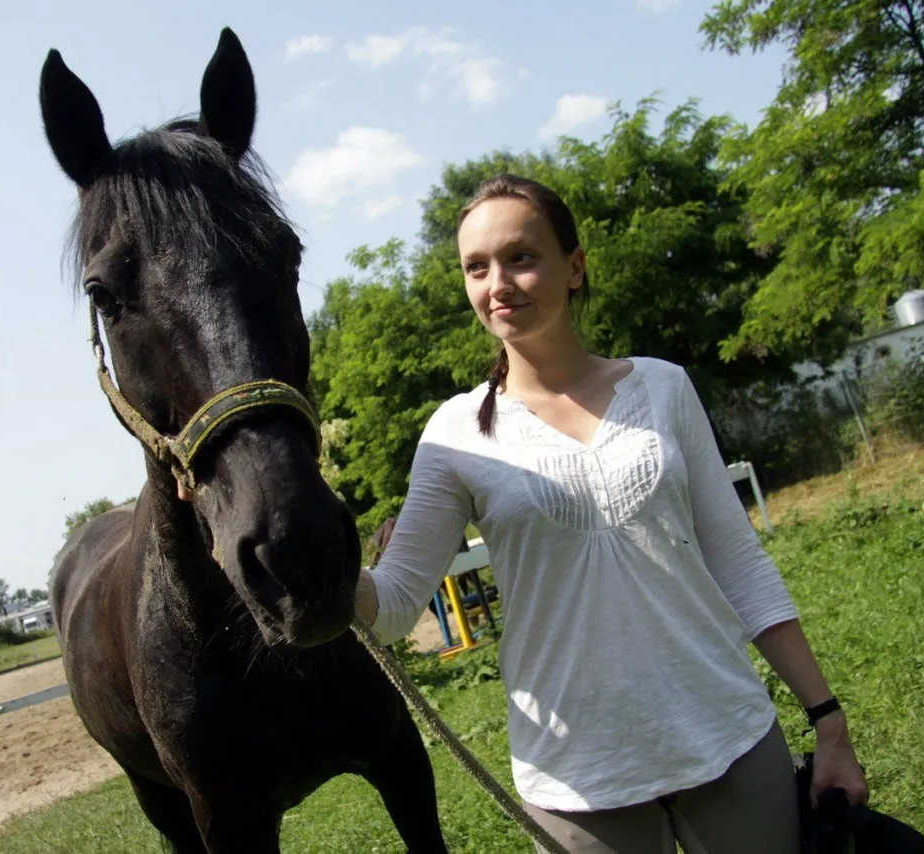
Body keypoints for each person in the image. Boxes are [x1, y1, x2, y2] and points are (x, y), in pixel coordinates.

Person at [354, 174, 868, 853]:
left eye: (521, 257)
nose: (497, 283)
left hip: (728, 736)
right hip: (577, 780)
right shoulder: (453, 433)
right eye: (476, 267)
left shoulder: (662, 386)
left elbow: (737, 562)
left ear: (574, 267)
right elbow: (389, 611)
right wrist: (316, 551)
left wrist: (828, 720)